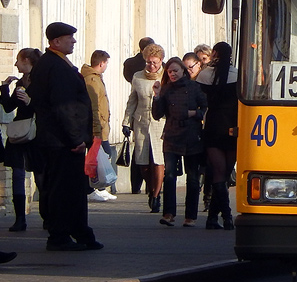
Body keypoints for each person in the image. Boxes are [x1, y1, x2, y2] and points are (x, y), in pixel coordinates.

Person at [28, 22, 103, 251]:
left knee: (74, 189)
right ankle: (59, 235)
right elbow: (63, 105)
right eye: (69, 37)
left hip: (63, 140)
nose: (74, 40)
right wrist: (75, 138)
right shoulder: (54, 65)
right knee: (62, 189)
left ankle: (81, 232)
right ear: (56, 41)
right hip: (61, 142)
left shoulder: (58, 62)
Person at [152, 56, 207, 227]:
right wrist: (156, 96)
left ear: (183, 70)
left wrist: (194, 114)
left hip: (192, 135)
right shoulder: (166, 89)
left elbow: (205, 108)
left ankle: (190, 216)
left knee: (192, 177)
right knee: (169, 175)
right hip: (172, 136)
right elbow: (156, 114)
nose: (173, 74)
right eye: (169, 71)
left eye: (175, 70)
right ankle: (169, 213)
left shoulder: (194, 87)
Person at [0, 47, 43, 231]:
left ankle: (47, 216)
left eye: (18, 60)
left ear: (26, 60)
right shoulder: (20, 83)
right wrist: (4, 88)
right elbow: (9, 108)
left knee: (40, 175)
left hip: (35, 133)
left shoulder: (41, 81)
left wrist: (29, 102)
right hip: (19, 133)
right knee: (17, 174)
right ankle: (20, 219)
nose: (15, 64)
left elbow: (46, 107)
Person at [199, 41, 238, 230]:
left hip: (213, 126)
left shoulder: (205, 75)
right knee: (224, 173)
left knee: (218, 173)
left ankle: (218, 217)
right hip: (233, 127)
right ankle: (222, 217)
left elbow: (199, 100)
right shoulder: (238, 75)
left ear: (214, 53)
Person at [123, 43, 166, 213]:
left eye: (155, 62)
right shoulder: (137, 77)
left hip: (160, 123)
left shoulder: (166, 77)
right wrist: (126, 122)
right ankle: (150, 187)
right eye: (149, 62)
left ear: (161, 61)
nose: (152, 66)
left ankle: (156, 195)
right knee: (142, 162)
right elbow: (132, 100)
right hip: (141, 122)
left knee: (158, 160)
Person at [81, 49, 116, 202]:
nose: (106, 66)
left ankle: (98, 187)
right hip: (97, 128)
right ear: (101, 63)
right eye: (106, 63)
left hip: (101, 126)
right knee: (100, 156)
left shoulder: (96, 78)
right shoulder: (92, 80)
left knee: (101, 157)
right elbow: (94, 106)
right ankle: (93, 188)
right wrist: (97, 129)